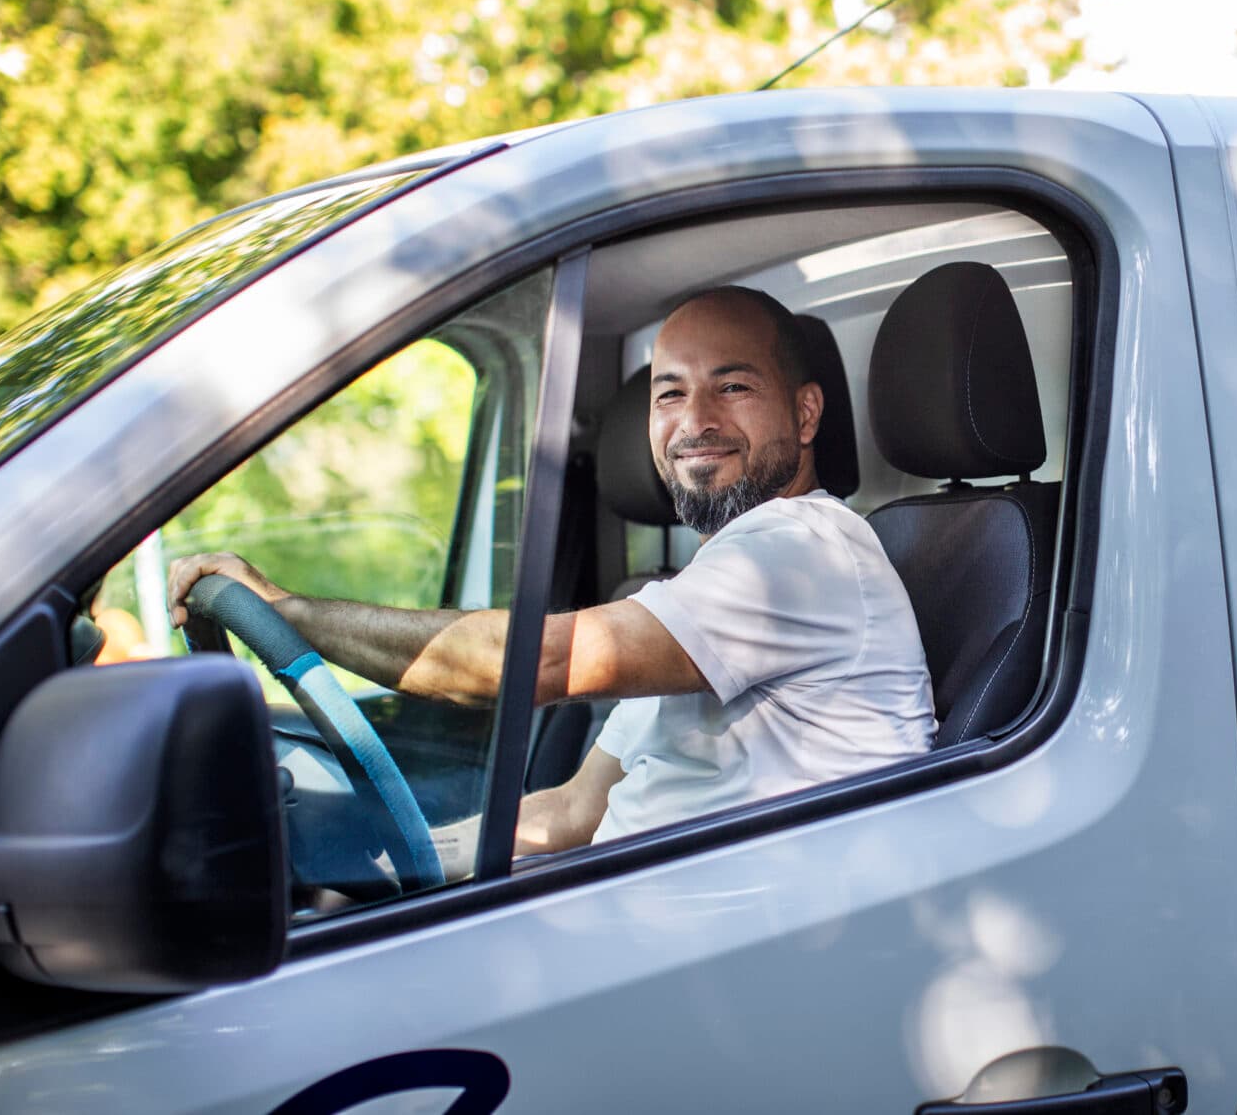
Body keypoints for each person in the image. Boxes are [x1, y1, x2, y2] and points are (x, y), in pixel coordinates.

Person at [168, 286, 934, 871]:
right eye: (670, 391)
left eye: (732, 386)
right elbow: (573, 812)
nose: (693, 418)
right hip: (645, 915)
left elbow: (542, 662)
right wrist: (405, 861)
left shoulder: (803, 551)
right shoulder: (704, 590)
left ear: (805, 415)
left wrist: (288, 612)